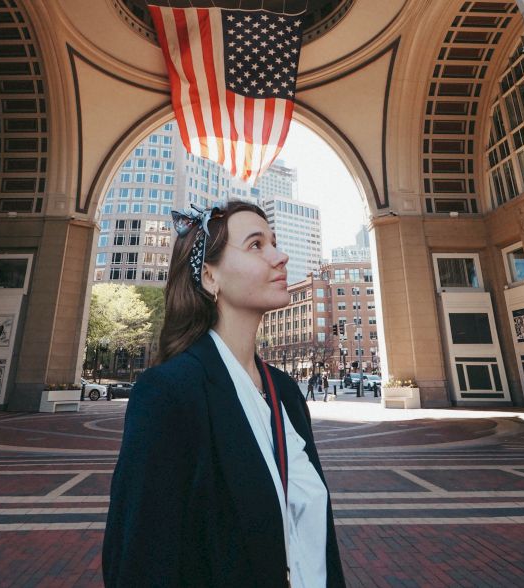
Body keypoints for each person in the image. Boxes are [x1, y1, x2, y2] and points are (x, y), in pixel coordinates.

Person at [102, 201, 345, 587]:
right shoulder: (170, 394)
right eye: (256, 245)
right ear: (210, 277)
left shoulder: (286, 393)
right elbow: (140, 561)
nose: (280, 257)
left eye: (275, 243)